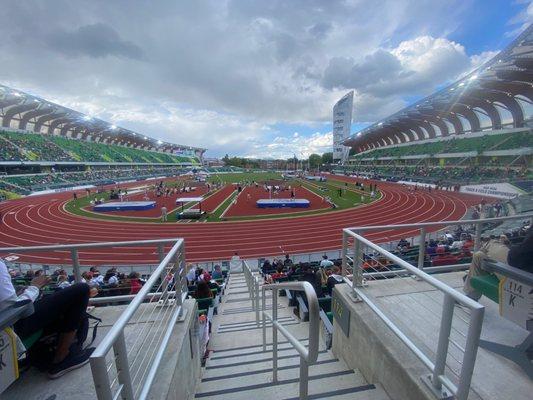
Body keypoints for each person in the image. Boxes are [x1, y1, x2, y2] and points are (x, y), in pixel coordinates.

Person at [0, 258, 94, 378]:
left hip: (7, 322)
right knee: (81, 290)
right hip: (10, 327)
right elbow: (11, 308)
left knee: (50, 299)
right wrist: (35, 287)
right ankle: (62, 358)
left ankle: (35, 355)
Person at [463, 235, 510, 300]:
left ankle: (471, 297)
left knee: (481, 253)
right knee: (480, 254)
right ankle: (471, 294)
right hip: (521, 272)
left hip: (519, 277)